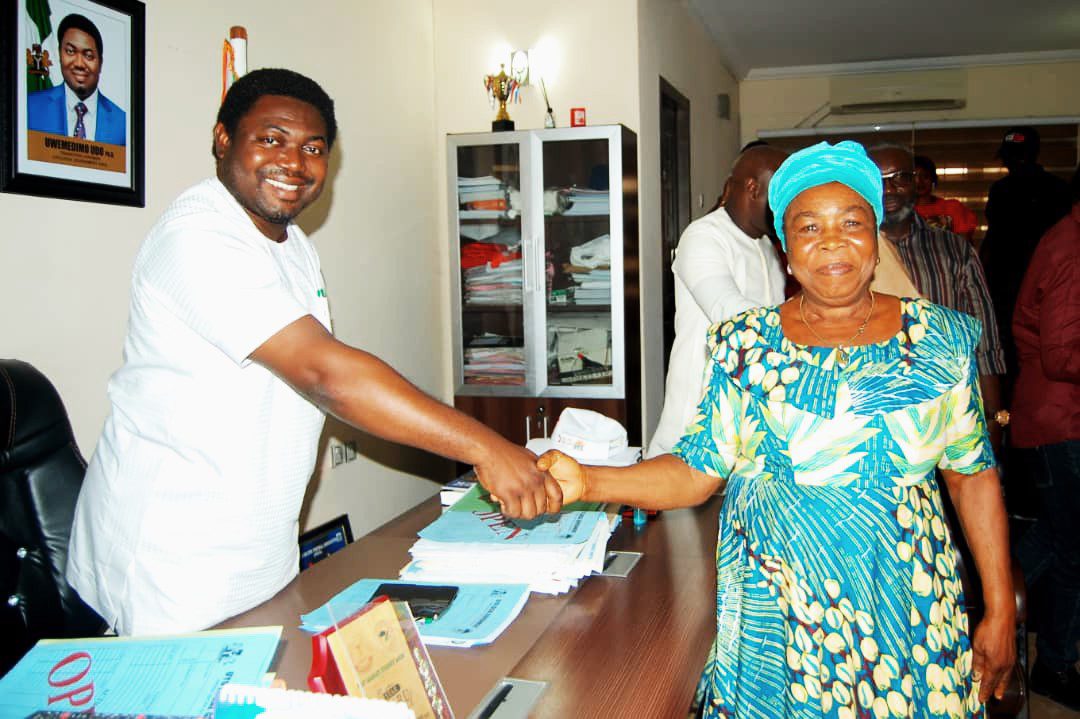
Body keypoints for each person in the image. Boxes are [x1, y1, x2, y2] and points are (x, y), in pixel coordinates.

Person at [67, 69, 559, 636]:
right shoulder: (196, 236)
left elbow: (315, 373)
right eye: (271, 139)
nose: (294, 162)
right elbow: (326, 375)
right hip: (167, 567)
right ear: (223, 140)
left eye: (313, 148)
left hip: (258, 560)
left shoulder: (293, 244)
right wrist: (486, 448)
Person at [541, 141, 1015, 717]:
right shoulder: (744, 343)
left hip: (906, 614)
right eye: (809, 227)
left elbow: (972, 476)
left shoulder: (938, 339)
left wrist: (999, 608)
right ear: (786, 249)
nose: (832, 241)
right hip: (778, 624)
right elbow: (695, 470)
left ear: (875, 238)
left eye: (851, 222)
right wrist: (587, 481)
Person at [646, 144, 788, 458]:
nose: (789, 205)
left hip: (750, 419)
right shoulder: (704, 236)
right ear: (753, 188)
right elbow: (730, 312)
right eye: (783, 194)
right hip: (699, 417)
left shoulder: (767, 245)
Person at [869, 144, 1007, 454]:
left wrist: (995, 419)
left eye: (899, 178)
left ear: (917, 182)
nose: (888, 190)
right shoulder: (848, 253)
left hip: (949, 411)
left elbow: (984, 340)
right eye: (878, 180)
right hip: (877, 419)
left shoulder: (954, 250)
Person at [1011, 165, 1080, 710]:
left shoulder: (1067, 238)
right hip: (1061, 419)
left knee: (1060, 539)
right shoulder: (1072, 249)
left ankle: (977, 606)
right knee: (1071, 548)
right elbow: (1061, 355)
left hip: (1055, 417)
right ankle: (1052, 664)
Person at [980, 126, 1072, 399]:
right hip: (1009, 292)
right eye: (1011, 156)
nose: (1014, 162)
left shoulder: (1057, 190)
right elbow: (993, 241)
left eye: (1018, 156)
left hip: (1044, 290)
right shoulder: (1002, 190)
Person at [26, 13, 126, 145]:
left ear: (100, 63)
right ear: (60, 54)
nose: (79, 63)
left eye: (88, 56)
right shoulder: (30, 107)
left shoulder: (123, 123)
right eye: (70, 51)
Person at [913, 154, 977, 243]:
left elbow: (964, 244)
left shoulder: (953, 208)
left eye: (925, 176)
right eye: (914, 177)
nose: (919, 181)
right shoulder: (901, 211)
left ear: (933, 179)